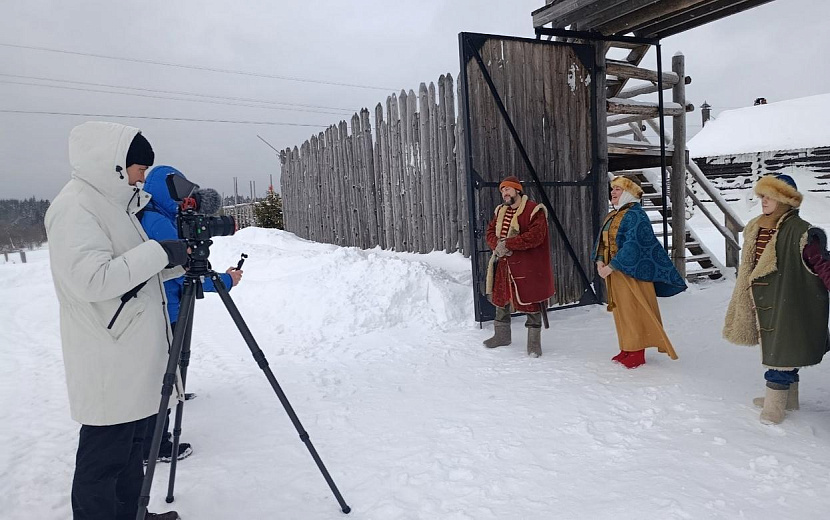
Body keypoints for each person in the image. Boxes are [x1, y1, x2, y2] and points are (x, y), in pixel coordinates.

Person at [45, 122, 185, 520]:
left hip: (129, 351)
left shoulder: (112, 206)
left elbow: (133, 270)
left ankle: (131, 515)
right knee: (104, 459)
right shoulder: (75, 207)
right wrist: (159, 252)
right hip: (107, 356)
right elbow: (93, 279)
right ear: (115, 166)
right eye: (139, 169)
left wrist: (176, 263)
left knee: (130, 454)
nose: (142, 178)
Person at [138, 165, 243, 464]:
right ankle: (155, 446)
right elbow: (181, 274)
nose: (187, 201)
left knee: (168, 366)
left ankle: (175, 395)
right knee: (162, 374)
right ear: (166, 189)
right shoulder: (158, 223)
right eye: (181, 193)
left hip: (165, 304)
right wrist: (224, 281)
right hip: (164, 306)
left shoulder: (160, 216)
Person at [723, 174, 830, 425]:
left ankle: (775, 406)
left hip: (791, 302)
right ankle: (789, 400)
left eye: (770, 196)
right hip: (763, 303)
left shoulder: (803, 233)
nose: (764, 201)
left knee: (780, 356)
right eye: (762, 196)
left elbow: (821, 264)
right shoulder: (756, 226)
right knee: (782, 351)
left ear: (785, 199)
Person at [592, 175, 686, 369]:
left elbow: (633, 245)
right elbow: (603, 240)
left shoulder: (636, 214)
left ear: (629, 192)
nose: (613, 193)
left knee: (634, 310)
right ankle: (627, 347)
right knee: (621, 310)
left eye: (618, 189)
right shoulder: (613, 215)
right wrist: (601, 261)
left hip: (632, 272)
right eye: (613, 189)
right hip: (614, 271)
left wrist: (611, 266)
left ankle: (637, 351)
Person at [482, 176, 555, 357]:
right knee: (501, 299)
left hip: (527, 266)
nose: (504, 193)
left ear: (517, 190)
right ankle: (502, 337)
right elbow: (490, 232)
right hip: (503, 264)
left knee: (531, 302)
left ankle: (533, 344)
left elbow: (536, 236)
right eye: (502, 190)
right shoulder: (500, 211)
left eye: (508, 189)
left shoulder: (533, 210)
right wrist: (497, 245)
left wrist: (509, 244)